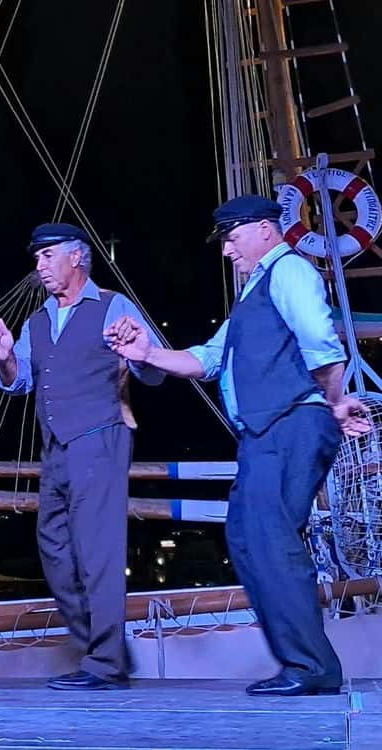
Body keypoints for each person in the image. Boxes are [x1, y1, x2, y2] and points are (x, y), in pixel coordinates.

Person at [106, 195, 368, 697]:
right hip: (263, 434)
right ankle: (301, 660)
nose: (226, 250)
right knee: (246, 539)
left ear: (265, 230)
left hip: (289, 424)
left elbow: (321, 342)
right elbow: (207, 359)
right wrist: (146, 352)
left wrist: (333, 404)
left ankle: (311, 666)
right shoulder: (251, 296)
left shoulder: (289, 270)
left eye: (231, 237)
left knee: (271, 538)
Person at [0, 222, 164, 691]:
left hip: (100, 435)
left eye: (47, 256)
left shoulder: (112, 305)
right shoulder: (38, 320)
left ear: (76, 257)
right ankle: (105, 649)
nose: (38, 265)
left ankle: (105, 663)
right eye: (36, 257)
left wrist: (138, 351)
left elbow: (154, 370)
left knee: (98, 551)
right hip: (56, 444)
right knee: (53, 546)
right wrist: (3, 356)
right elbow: (18, 381)